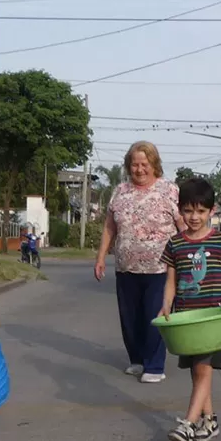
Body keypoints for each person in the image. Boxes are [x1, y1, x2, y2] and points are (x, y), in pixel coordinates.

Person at [94, 141, 185, 383]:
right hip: (126, 267)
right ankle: (137, 360)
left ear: (154, 165)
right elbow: (109, 227)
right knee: (130, 318)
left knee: (154, 315)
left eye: (145, 164)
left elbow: (183, 226)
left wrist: (189, 256)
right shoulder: (120, 191)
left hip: (161, 268)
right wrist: (101, 256)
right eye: (134, 164)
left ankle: (155, 366)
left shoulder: (169, 190)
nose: (139, 169)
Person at [158, 177, 221, 441]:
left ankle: (189, 424)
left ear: (211, 211)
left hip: (212, 318)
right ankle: (210, 420)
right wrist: (166, 304)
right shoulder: (175, 244)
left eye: (201, 211)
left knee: (203, 370)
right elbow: (170, 279)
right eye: (189, 211)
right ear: (180, 210)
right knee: (197, 371)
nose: (194, 217)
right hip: (186, 318)